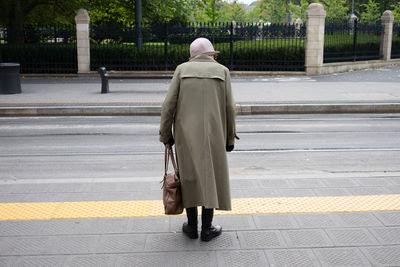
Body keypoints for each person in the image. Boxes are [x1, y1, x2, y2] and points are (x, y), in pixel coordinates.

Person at [159, 37, 238, 242]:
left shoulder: (181, 70)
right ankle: (207, 228)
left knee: (188, 177)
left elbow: (168, 106)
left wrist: (166, 134)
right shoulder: (222, 72)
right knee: (211, 176)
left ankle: (192, 226)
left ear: (192, 55)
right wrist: (230, 138)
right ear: (211, 54)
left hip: (186, 136)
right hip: (215, 135)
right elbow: (230, 109)